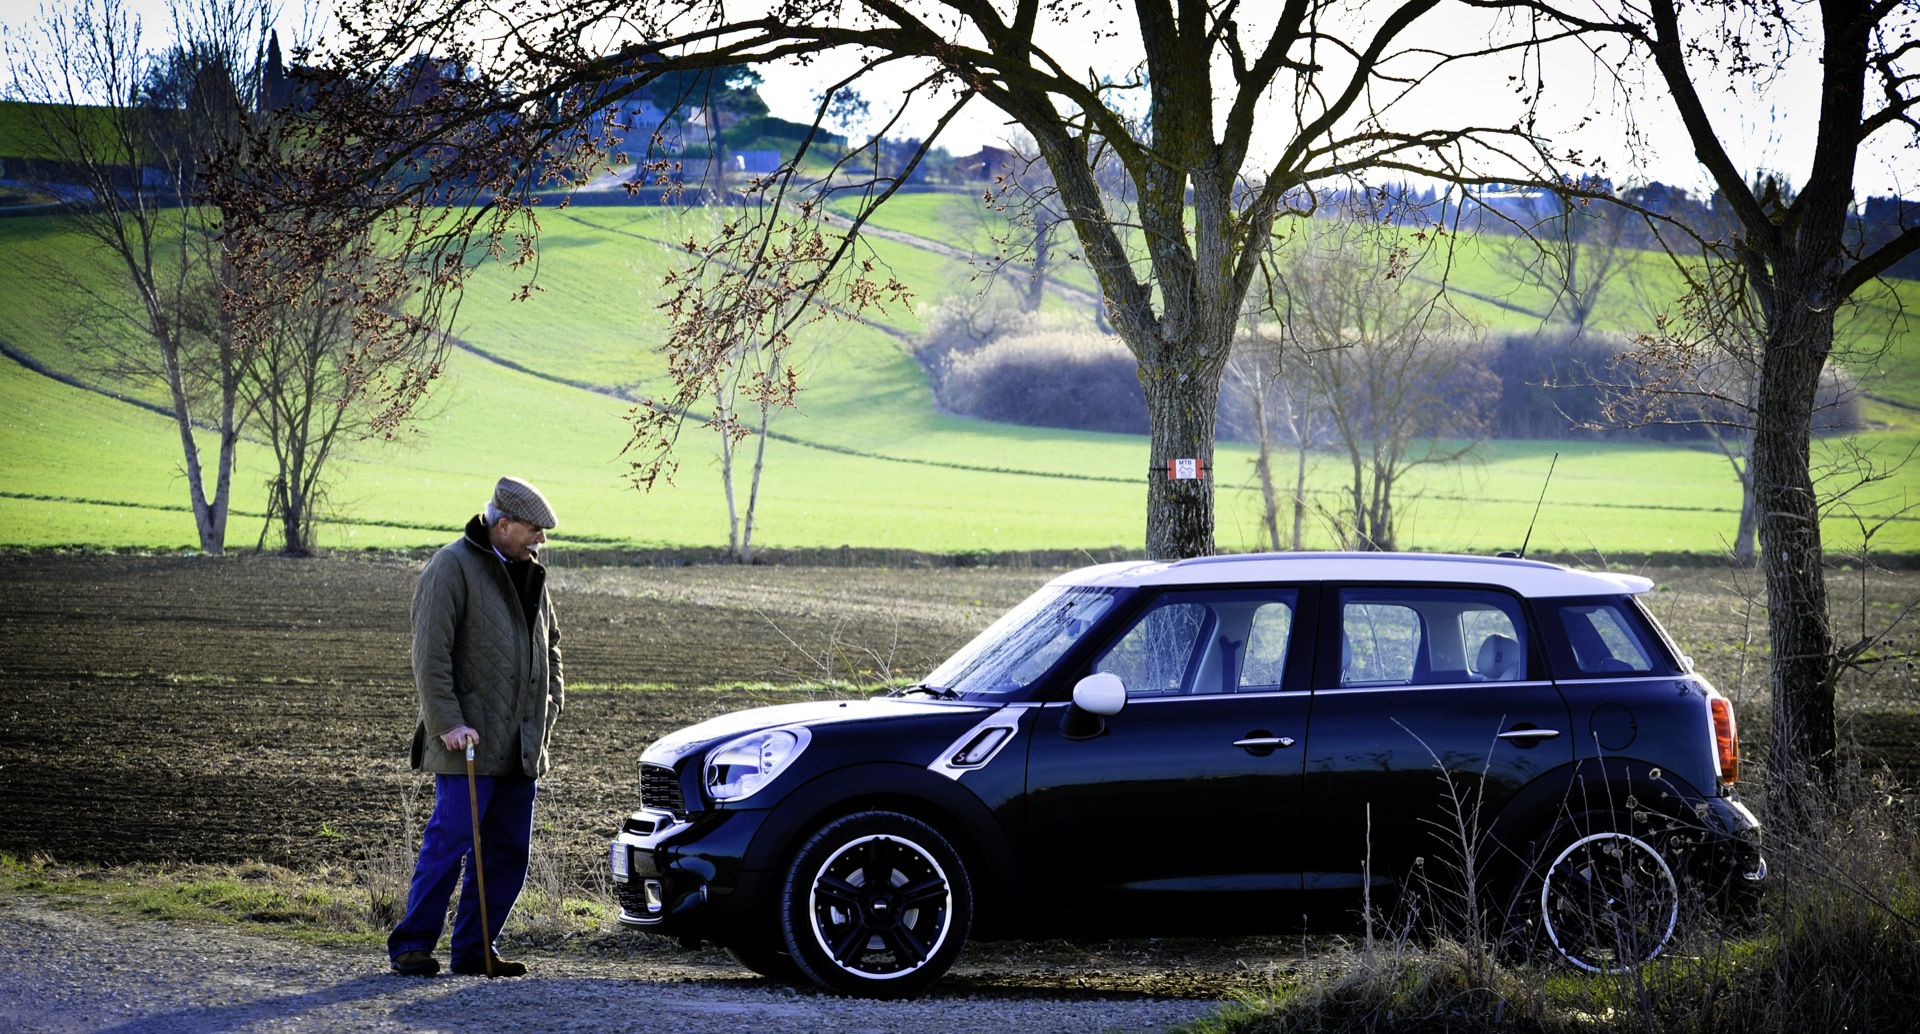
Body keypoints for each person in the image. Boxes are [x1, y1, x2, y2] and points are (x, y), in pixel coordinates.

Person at [388, 476, 564, 978]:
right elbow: (429, 653)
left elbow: (551, 646)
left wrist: (550, 707)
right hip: (466, 742)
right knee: (450, 843)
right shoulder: (451, 566)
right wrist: (447, 722)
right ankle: (412, 945)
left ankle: (475, 951)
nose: (540, 540)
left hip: (520, 744)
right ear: (502, 524)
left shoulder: (532, 573)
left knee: (508, 852)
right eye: (533, 530)